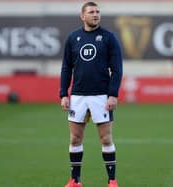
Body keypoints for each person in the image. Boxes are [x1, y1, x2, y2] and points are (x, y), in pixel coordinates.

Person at [60, 2, 123, 187]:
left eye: (97, 12)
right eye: (91, 12)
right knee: (75, 138)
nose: (95, 15)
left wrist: (113, 94)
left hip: (101, 96)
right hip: (78, 96)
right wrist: (63, 94)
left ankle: (112, 181)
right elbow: (66, 68)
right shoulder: (73, 38)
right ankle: (75, 180)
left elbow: (117, 69)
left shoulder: (108, 38)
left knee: (106, 138)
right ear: (82, 16)